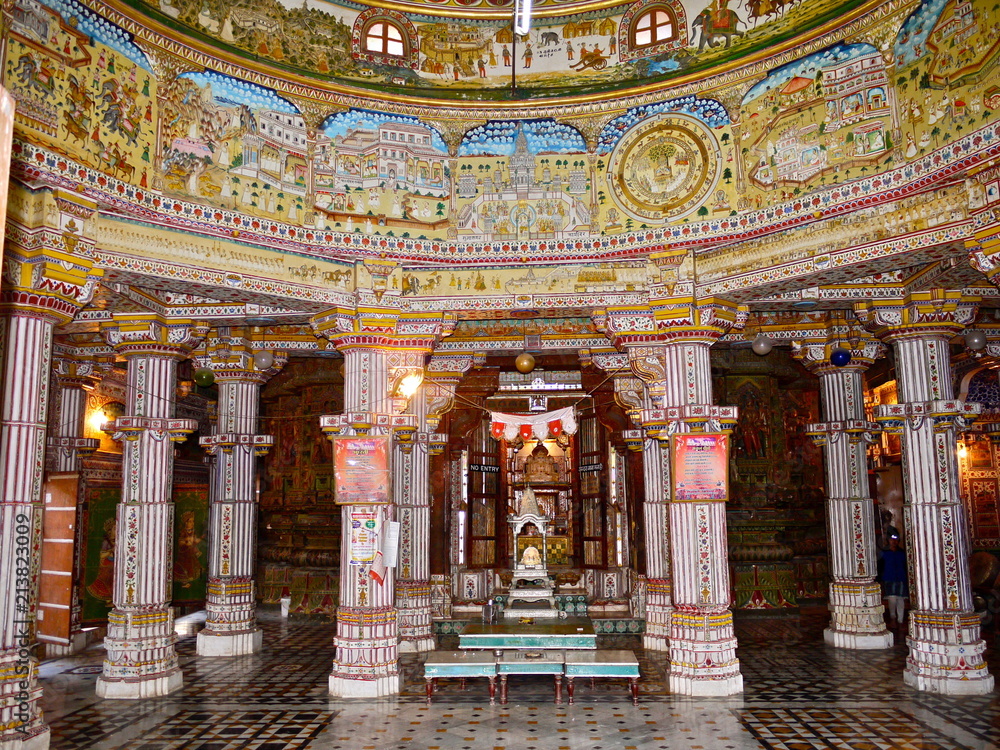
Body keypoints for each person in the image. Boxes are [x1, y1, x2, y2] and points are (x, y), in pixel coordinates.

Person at [879, 532, 908, 629]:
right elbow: (880, 566)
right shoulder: (883, 553)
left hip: (901, 578)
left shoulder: (902, 553)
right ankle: (893, 617)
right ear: (888, 540)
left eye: (896, 540)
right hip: (888, 578)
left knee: (901, 599)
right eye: (892, 540)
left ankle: (900, 619)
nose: (894, 542)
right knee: (892, 598)